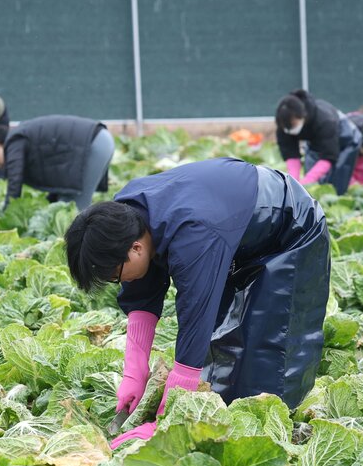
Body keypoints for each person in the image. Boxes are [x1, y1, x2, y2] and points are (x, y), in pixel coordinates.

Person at [64, 158, 331, 447]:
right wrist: (134, 370)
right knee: (226, 349)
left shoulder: (194, 236)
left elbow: (196, 318)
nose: (121, 283)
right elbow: (142, 292)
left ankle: (281, 428)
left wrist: (169, 421)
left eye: (116, 276)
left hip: (292, 229)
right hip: (235, 232)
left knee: (266, 358)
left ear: (136, 248)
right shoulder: (125, 218)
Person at [0, 115, 114, 211]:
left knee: (74, 208)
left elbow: (15, 180)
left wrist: (6, 214)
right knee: (67, 204)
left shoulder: (14, 140)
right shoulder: (23, 134)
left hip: (94, 144)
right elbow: (58, 180)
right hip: (100, 139)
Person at [274, 89, 361, 195]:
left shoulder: (324, 120)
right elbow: (291, 154)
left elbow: (329, 156)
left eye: (293, 125)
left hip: (345, 139)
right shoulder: (284, 124)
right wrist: (294, 184)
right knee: (313, 183)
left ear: (302, 117)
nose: (289, 130)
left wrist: (306, 181)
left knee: (337, 183)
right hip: (316, 142)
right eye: (286, 128)